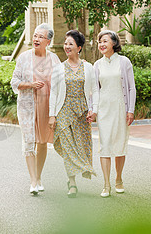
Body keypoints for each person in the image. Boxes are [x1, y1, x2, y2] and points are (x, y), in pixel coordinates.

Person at [11, 23, 61, 195]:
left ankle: (38, 177)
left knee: (42, 142)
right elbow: (14, 82)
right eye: (35, 35)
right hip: (27, 106)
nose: (36, 39)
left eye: (40, 36)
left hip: (47, 107)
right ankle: (33, 181)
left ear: (48, 41)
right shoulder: (23, 58)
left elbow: (61, 84)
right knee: (29, 141)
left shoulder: (54, 59)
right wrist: (30, 85)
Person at [49, 30, 98, 198]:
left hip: (82, 112)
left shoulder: (89, 68)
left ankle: (83, 168)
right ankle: (72, 183)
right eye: (65, 43)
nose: (67, 47)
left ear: (79, 47)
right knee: (69, 148)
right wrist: (52, 115)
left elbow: (95, 91)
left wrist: (94, 110)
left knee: (82, 146)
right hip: (64, 111)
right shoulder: (58, 69)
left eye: (70, 44)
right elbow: (53, 93)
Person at [94, 30, 136, 198]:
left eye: (105, 41)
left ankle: (118, 178)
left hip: (120, 108)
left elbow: (131, 87)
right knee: (104, 146)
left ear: (114, 43)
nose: (101, 44)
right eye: (99, 42)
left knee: (119, 146)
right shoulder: (97, 65)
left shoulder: (124, 62)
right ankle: (106, 184)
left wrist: (130, 110)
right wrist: (94, 109)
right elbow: (95, 90)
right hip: (104, 110)